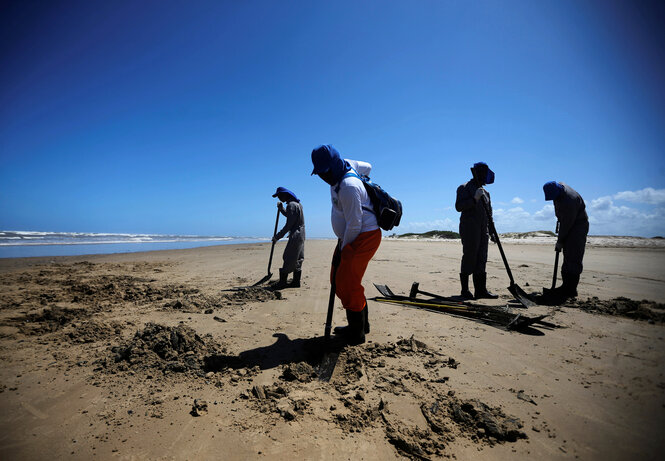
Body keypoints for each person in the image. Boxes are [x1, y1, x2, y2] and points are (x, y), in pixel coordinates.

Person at [311, 145, 381, 345]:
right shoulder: (348, 163)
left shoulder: (349, 186)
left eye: (325, 171)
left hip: (363, 235)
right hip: (350, 237)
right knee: (337, 278)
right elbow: (368, 166)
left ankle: (357, 332)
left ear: (334, 165)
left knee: (347, 283)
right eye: (319, 173)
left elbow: (354, 224)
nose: (323, 177)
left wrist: (344, 249)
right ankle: (360, 324)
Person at [455, 162, 498, 300]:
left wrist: (492, 231)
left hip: (483, 229)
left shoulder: (486, 193)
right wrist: (474, 198)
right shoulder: (464, 188)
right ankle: (465, 290)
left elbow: (489, 214)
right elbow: (459, 206)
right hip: (469, 228)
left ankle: (481, 290)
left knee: (482, 258)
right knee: (469, 256)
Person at [543, 181, 588, 300]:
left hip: (577, 228)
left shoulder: (569, 201)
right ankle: (566, 286)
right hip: (570, 224)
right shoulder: (560, 188)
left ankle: (570, 289)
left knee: (573, 257)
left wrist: (560, 241)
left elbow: (567, 225)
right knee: (568, 256)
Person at [271, 187, 306, 289]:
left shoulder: (291, 205)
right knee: (298, 258)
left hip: (295, 234)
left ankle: (282, 282)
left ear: (286, 195)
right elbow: (291, 216)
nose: (279, 198)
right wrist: (282, 209)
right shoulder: (297, 204)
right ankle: (296, 282)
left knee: (289, 257)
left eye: (280, 196)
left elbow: (288, 225)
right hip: (301, 233)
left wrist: (277, 237)